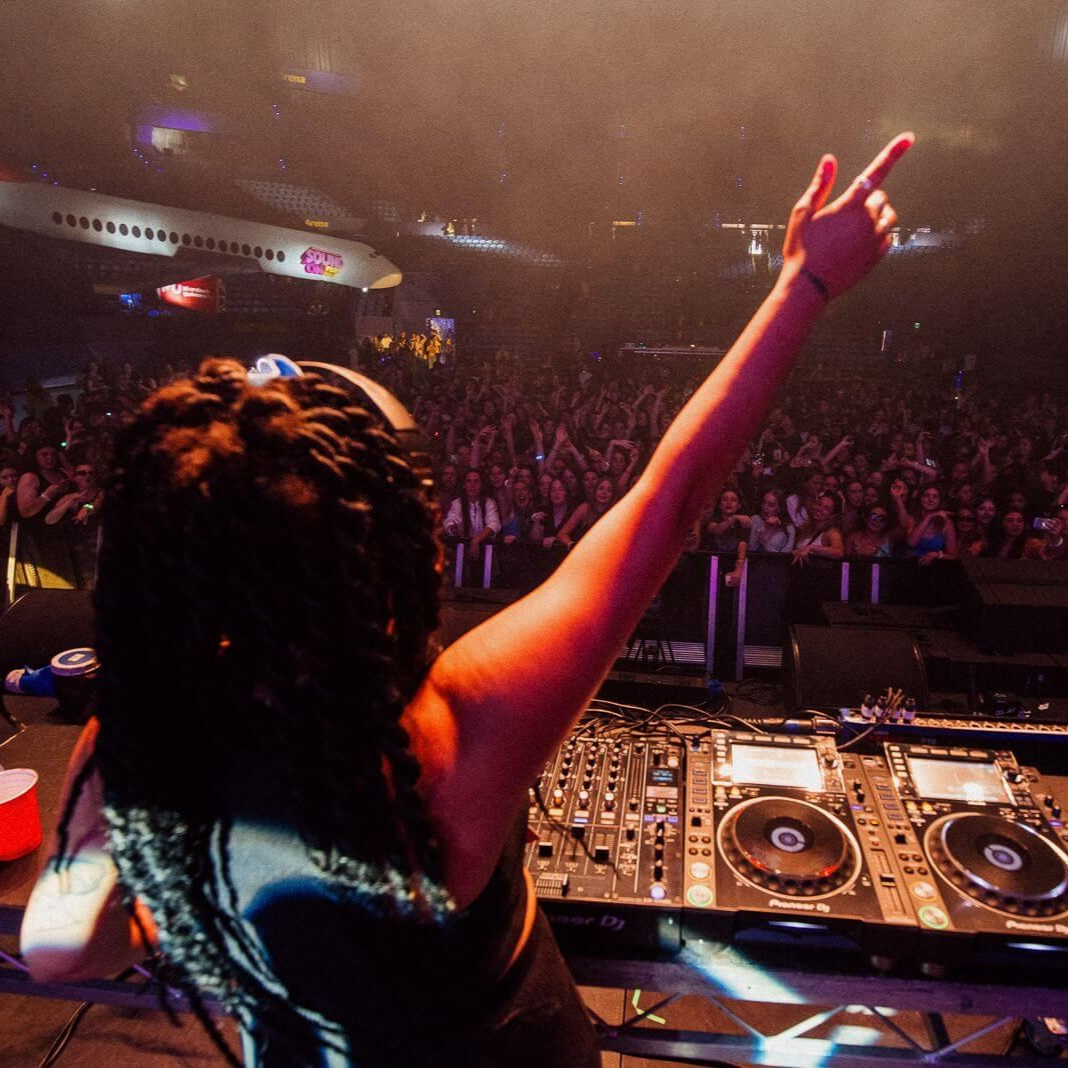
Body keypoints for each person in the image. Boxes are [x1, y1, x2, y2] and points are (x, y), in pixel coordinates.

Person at [21, 134, 913, 1067]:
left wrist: (164, 916)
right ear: (390, 542)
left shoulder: (141, 738)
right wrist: (803, 286)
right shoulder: (456, 728)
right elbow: (670, 502)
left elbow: (61, 946)